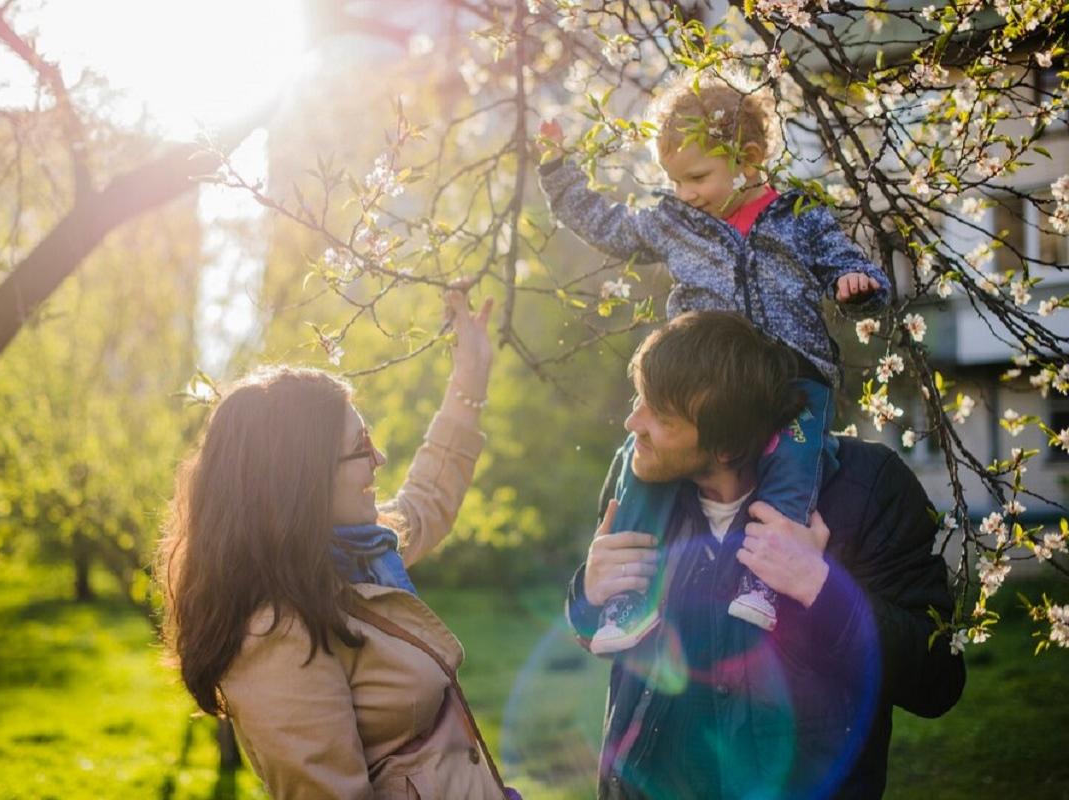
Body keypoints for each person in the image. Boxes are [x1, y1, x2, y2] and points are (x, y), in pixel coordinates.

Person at [538, 68, 893, 652]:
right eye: (675, 181)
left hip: (793, 371)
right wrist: (556, 169)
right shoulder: (677, 222)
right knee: (645, 463)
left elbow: (845, 263)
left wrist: (859, 285)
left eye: (697, 177)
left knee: (793, 468)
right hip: (702, 376)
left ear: (748, 159)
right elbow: (609, 227)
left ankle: (765, 581)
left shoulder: (799, 214)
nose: (686, 194)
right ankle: (628, 600)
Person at [565, 311, 966, 799]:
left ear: (728, 447)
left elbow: (937, 680)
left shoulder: (866, 488)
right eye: (638, 400)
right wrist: (587, 595)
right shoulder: (638, 478)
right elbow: (602, 633)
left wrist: (821, 588)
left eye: (661, 416)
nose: (633, 424)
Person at [158, 289, 514, 799]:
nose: (380, 459)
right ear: (301, 479)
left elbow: (427, 500)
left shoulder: (355, 557)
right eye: (359, 449)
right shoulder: (276, 634)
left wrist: (470, 378)